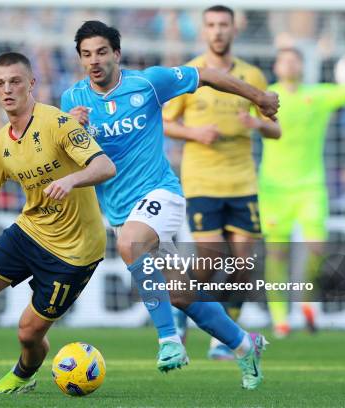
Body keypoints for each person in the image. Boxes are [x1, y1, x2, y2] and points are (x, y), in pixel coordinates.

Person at [61, 19, 277, 389]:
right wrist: (70, 127)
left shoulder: (147, 83)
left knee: (129, 243)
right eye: (86, 54)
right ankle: (245, 345)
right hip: (120, 209)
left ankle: (168, 342)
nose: (93, 60)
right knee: (179, 292)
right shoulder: (72, 100)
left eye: (100, 52)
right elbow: (71, 156)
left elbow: (206, 74)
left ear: (116, 53)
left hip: (161, 193)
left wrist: (257, 96)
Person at [0, 51, 116, 394]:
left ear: (32, 83)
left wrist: (71, 180)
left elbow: (105, 167)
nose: (8, 89)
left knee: (28, 333)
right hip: (31, 231)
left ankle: (22, 375)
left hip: (75, 252)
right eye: (0, 83)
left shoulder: (59, 124)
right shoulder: (1, 141)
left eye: (15, 81)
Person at [162, 5, 281, 360]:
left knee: (245, 267)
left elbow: (276, 128)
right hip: (202, 180)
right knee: (211, 259)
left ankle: (224, 337)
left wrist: (259, 124)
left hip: (242, 180)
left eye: (223, 25)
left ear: (234, 29)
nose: (217, 31)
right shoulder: (190, 75)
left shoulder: (252, 76)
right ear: (203, 31)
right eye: (211, 25)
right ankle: (180, 308)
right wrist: (194, 132)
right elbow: (165, 123)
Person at [259, 47, 345, 337]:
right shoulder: (263, 96)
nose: (289, 63)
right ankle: (280, 321)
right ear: (275, 67)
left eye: (294, 58)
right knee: (276, 254)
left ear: (303, 65)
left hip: (310, 186)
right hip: (273, 188)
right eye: (284, 59)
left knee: (316, 247)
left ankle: (306, 298)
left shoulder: (319, 95)